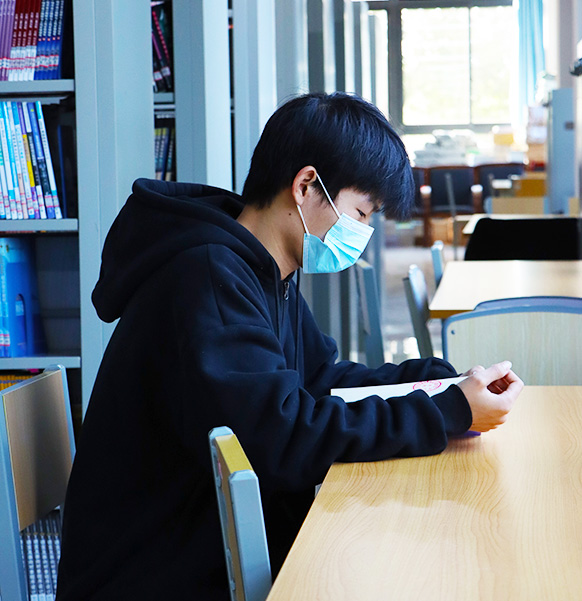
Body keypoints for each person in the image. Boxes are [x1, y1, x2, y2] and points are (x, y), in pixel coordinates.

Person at [56, 92, 523, 601]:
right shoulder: (208, 277)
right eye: (360, 212)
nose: (363, 232)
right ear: (305, 186)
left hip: (206, 549)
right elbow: (284, 440)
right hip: (156, 575)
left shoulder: (259, 270)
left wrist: (440, 385)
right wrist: (445, 411)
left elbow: (322, 381)